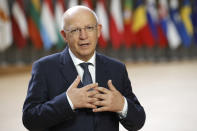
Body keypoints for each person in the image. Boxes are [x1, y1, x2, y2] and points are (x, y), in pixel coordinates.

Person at [22, 6, 145, 131]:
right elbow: (30, 120)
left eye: (89, 28)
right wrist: (68, 101)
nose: (83, 36)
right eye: (75, 30)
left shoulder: (117, 69)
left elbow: (138, 122)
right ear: (64, 35)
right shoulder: (44, 68)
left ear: (99, 30)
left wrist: (122, 105)